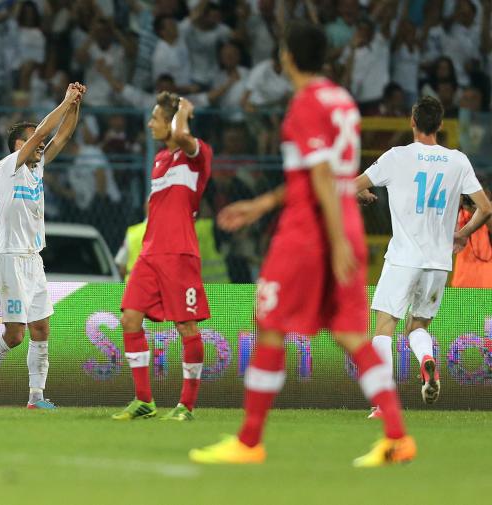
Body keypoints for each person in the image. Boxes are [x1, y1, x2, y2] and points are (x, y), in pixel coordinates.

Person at [192, 21, 415, 467]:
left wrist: (332, 243)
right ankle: (396, 436)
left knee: (270, 322)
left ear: (286, 58)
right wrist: (262, 203)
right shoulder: (342, 100)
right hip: (342, 222)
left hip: (311, 232)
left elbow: (318, 179)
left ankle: (249, 441)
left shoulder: (305, 104)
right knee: (352, 334)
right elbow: (322, 174)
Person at [0, 82, 86, 409]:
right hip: (10, 259)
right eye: (33, 139)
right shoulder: (9, 166)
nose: (40, 144)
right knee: (15, 336)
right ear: (19, 145)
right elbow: (42, 135)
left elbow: (62, 136)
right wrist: (64, 99)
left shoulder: (36, 168)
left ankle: (36, 397)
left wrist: (75, 104)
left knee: (41, 329)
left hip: (33, 260)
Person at [355, 96, 491, 415]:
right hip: (439, 262)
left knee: (384, 327)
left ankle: (383, 404)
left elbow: (348, 187)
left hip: (403, 257)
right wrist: (461, 234)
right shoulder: (457, 161)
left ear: (412, 122)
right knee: (418, 327)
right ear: (441, 126)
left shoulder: (396, 157)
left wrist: (360, 192)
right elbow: (485, 208)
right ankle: (426, 361)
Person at [111, 92, 212, 422]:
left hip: (180, 253)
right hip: (150, 253)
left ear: (171, 121)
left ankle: (187, 405)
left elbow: (183, 136)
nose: (149, 123)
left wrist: (183, 109)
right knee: (129, 318)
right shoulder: (158, 160)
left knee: (186, 327)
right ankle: (144, 400)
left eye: (155, 117)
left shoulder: (197, 155)